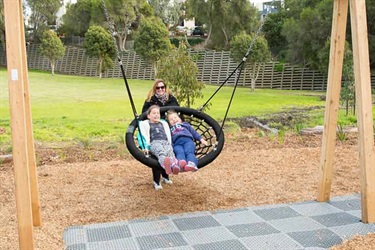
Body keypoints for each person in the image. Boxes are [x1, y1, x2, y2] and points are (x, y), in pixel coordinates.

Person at [141, 79, 179, 189]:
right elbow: (144, 116)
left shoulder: (171, 99)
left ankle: (166, 176)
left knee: (168, 152)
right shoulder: (150, 101)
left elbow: (178, 114)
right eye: (158, 88)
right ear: (154, 89)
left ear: (165, 88)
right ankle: (156, 181)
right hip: (154, 132)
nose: (161, 89)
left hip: (168, 130)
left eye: (162, 87)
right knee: (157, 155)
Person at [139, 105, 184, 190]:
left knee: (170, 152)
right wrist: (145, 147)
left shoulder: (163, 123)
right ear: (148, 116)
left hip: (165, 142)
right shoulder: (145, 124)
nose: (156, 115)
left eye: (158, 113)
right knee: (161, 153)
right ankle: (157, 181)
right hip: (154, 143)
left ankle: (173, 167)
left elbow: (170, 134)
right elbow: (142, 137)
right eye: (153, 113)